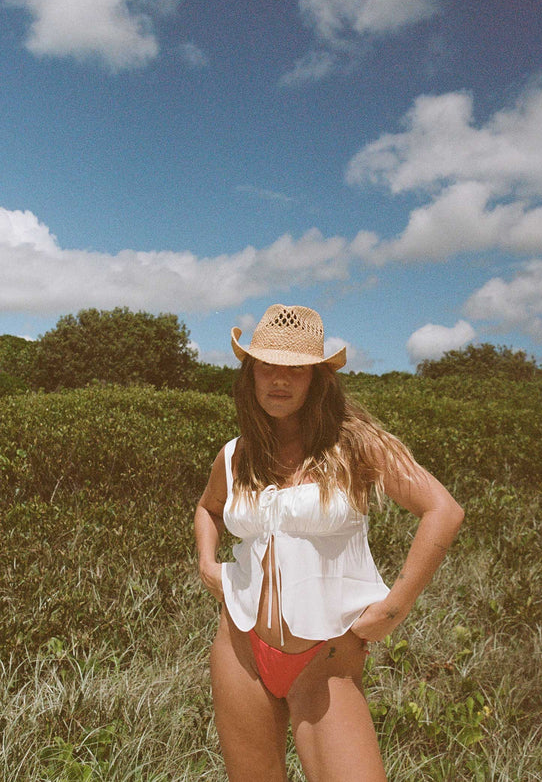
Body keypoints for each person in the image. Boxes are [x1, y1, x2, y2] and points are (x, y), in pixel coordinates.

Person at [194, 304, 464, 782]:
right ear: (250, 373)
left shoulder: (355, 445)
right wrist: (207, 563)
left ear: (317, 378)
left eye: (296, 369)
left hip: (326, 657)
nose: (279, 379)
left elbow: (443, 510)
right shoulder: (235, 454)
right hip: (240, 649)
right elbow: (209, 509)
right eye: (266, 365)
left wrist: (393, 609)